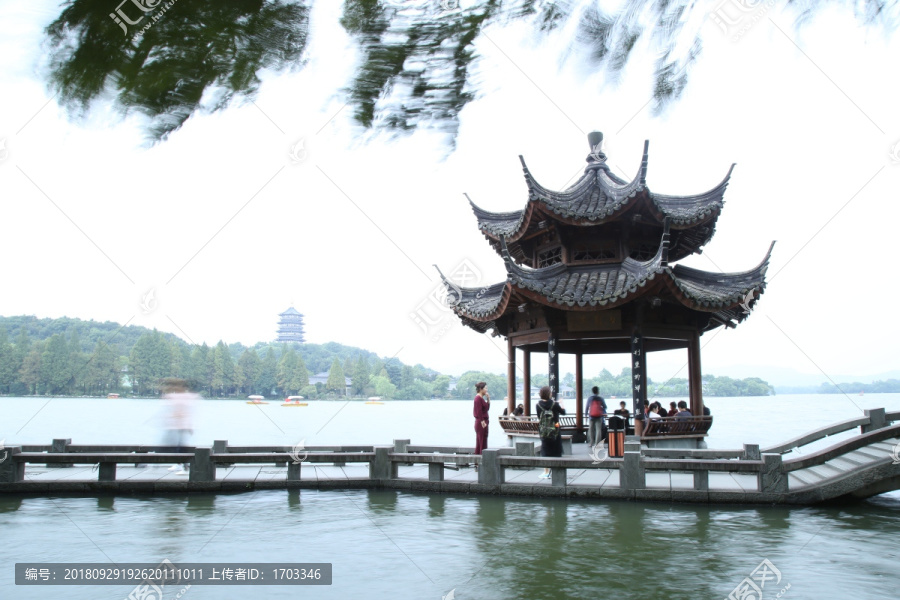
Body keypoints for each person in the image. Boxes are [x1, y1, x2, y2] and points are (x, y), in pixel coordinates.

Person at [162, 378, 198, 475]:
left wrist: (189, 425)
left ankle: (185, 467)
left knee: (181, 446)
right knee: (176, 446)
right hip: (175, 425)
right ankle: (179, 464)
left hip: (183, 425)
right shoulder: (178, 397)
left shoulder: (185, 397)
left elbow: (186, 411)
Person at [536, 385, 566, 479]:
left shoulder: (538, 405)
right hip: (555, 430)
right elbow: (563, 412)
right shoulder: (555, 404)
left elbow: (539, 417)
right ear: (549, 394)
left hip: (544, 431)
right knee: (556, 450)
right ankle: (556, 471)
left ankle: (546, 472)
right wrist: (561, 403)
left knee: (545, 451)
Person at [473, 381, 490, 455]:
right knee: (481, 442)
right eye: (485, 388)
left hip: (484, 421)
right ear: (481, 389)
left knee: (483, 440)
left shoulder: (481, 398)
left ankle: (481, 460)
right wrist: (482, 421)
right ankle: (480, 460)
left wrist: (488, 399)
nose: (486, 390)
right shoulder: (477, 399)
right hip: (481, 422)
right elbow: (478, 411)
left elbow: (486, 409)